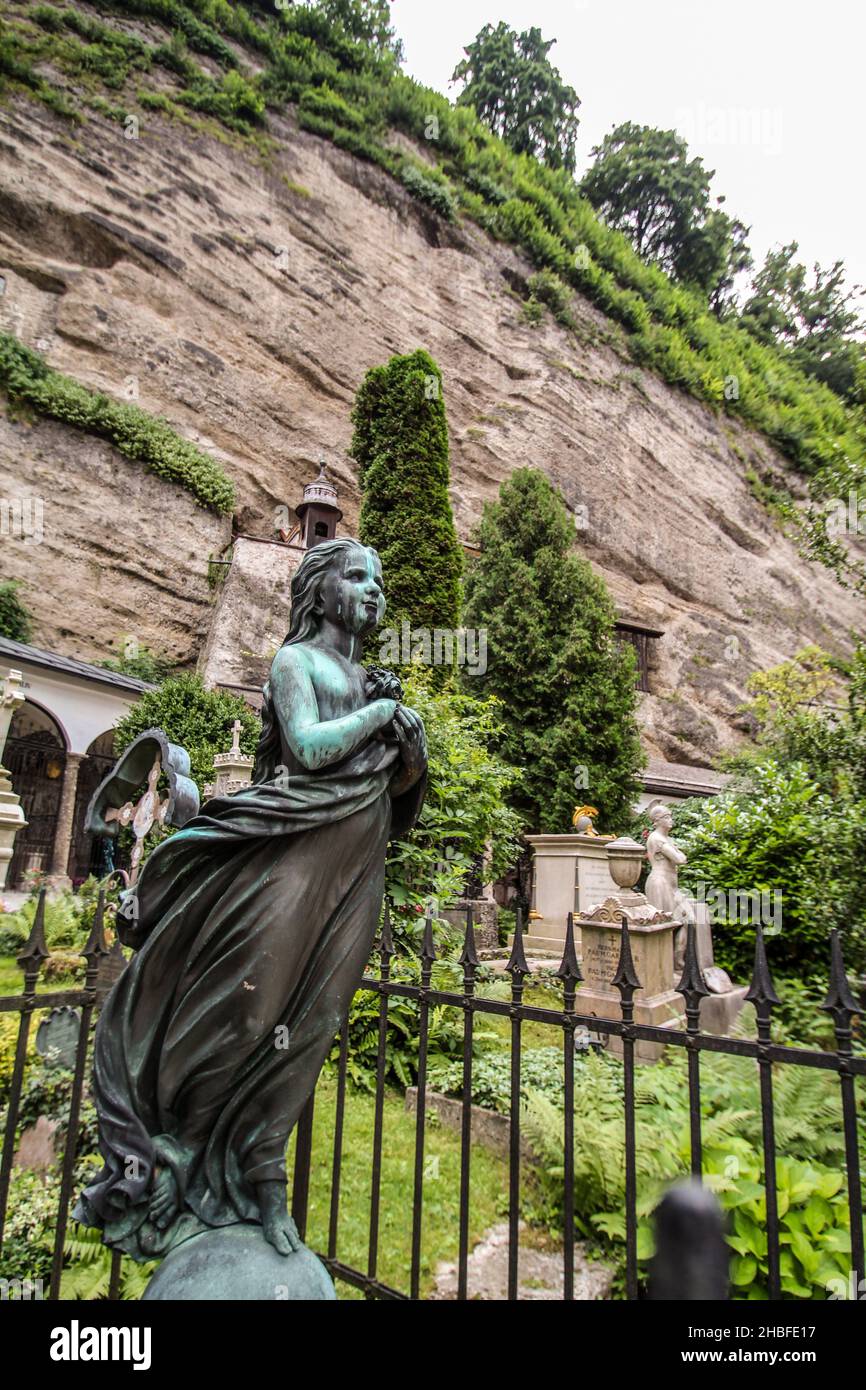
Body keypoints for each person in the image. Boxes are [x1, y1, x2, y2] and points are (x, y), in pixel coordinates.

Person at [75, 539, 427, 1261]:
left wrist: (411, 744)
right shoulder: (296, 663)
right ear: (319, 592)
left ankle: (263, 1180)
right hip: (294, 862)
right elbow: (307, 747)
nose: (372, 591)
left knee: (316, 1021)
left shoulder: (368, 678)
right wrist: (381, 714)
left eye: (378, 581)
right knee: (252, 1010)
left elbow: (393, 790)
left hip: (356, 870)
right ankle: (182, 1156)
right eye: (356, 577)